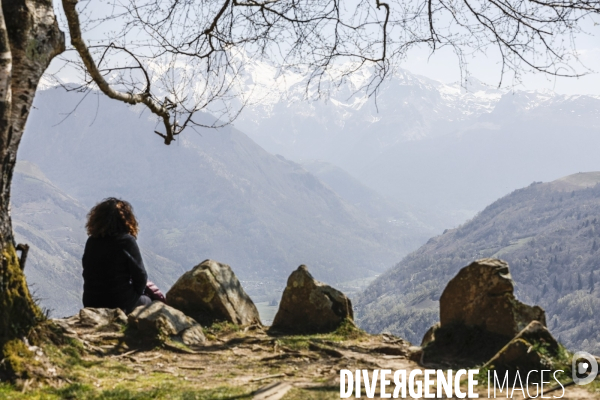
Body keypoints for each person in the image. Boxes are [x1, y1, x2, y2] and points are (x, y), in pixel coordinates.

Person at [82, 197, 153, 313]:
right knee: (151, 302)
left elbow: (87, 270)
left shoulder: (92, 241)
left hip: (92, 302)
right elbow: (140, 276)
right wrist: (135, 295)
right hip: (119, 303)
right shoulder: (126, 241)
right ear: (127, 220)